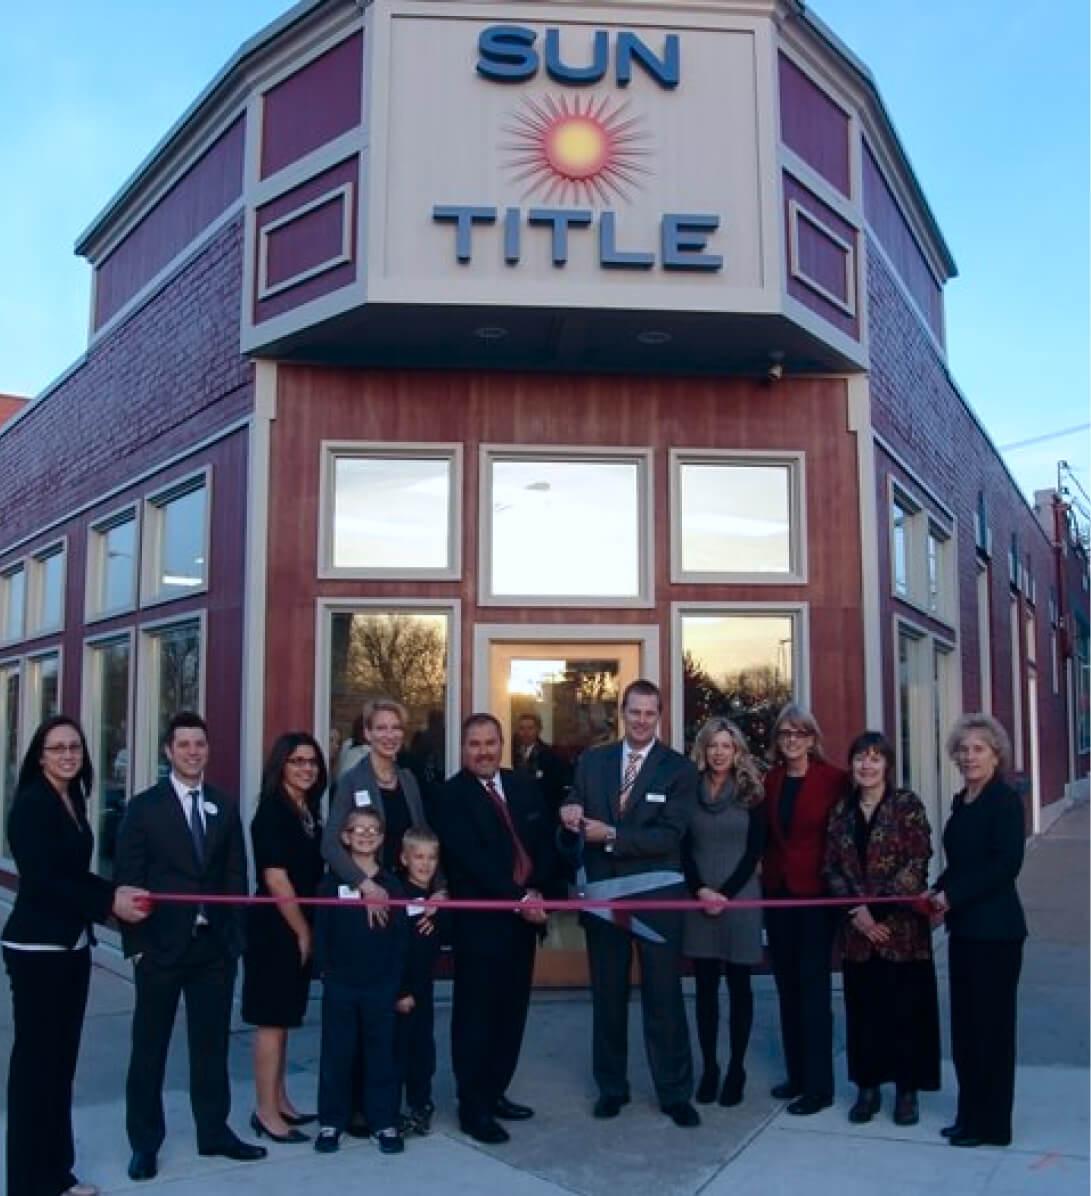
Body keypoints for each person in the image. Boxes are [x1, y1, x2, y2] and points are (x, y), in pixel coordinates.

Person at [115, 711, 266, 1181]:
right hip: (159, 949)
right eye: (183, 745)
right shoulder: (144, 808)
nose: (193, 752)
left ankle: (213, 1132)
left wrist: (234, 939)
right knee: (149, 1050)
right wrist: (137, 947)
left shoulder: (223, 803)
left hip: (212, 950)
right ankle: (144, 1143)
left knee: (211, 1048)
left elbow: (236, 873)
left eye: (199, 744)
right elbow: (128, 879)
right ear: (168, 751)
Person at [2, 715, 149, 1196]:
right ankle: (29, 1182)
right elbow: (44, 881)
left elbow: (75, 874)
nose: (68, 755)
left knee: (61, 1066)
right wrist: (109, 902)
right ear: (39, 756)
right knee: (35, 1069)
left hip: (73, 947)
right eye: (57, 748)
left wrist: (114, 891)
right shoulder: (30, 806)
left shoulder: (73, 799)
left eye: (75, 748)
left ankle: (57, 1174)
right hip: (37, 949)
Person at [559, 679, 700, 1127]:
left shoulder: (678, 769)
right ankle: (612, 1089)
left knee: (665, 998)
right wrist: (570, 814)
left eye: (649, 714)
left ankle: (675, 1094)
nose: (641, 721)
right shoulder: (594, 761)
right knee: (608, 996)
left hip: (657, 898)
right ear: (623, 712)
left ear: (659, 716)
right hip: (603, 896)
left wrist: (614, 836)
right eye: (634, 712)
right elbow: (575, 804)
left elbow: (670, 835)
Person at [434, 713, 554, 1145]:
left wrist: (542, 894)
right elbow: (470, 860)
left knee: (511, 1012)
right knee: (475, 1016)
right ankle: (473, 1108)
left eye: (490, 743)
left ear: (501, 744)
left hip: (524, 925)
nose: (483, 751)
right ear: (463, 749)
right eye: (474, 744)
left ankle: (496, 1091)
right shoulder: (450, 796)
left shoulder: (523, 785)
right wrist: (519, 898)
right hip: (481, 926)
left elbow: (542, 845)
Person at [322, 698, 439, 1136]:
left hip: (409, 900)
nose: (389, 735)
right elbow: (331, 845)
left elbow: (423, 836)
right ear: (367, 734)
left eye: (396, 728)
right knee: (371, 1009)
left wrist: (437, 889)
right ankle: (357, 1104)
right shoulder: (352, 781)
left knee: (411, 1007)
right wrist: (364, 884)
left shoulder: (408, 779)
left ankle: (410, 1101)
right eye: (381, 728)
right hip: (371, 906)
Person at [823, 732, 940, 1126]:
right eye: (860, 758)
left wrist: (880, 913)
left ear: (888, 765)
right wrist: (858, 913)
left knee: (905, 1014)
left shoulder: (906, 806)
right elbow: (832, 868)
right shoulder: (841, 811)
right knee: (864, 1014)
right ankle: (867, 1089)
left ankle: (907, 1093)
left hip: (901, 933)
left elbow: (918, 861)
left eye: (875, 759)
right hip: (858, 934)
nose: (867, 766)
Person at [928, 714, 1027, 1149]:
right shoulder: (962, 800)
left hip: (998, 932)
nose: (969, 756)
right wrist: (937, 891)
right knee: (966, 1029)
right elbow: (962, 865)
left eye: (979, 749)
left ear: (996, 754)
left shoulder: (1005, 801)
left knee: (992, 1030)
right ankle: (968, 1114)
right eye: (963, 749)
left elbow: (1004, 866)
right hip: (966, 929)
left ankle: (993, 1125)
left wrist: (954, 895)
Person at [241, 733, 328, 1144]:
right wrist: (302, 931)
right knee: (271, 1021)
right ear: (281, 766)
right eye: (296, 762)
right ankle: (265, 1112)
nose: (306, 768)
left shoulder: (307, 811)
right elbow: (276, 879)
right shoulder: (272, 813)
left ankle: (281, 1100)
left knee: (286, 1018)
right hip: (276, 929)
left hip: (297, 927)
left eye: (311, 762)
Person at [762, 703, 848, 1115]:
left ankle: (819, 1087)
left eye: (799, 734)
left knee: (813, 992)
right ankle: (796, 1075)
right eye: (785, 734)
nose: (792, 740)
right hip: (778, 896)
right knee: (786, 988)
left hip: (816, 897)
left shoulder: (834, 780)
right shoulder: (772, 779)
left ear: (812, 739)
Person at [681, 717, 767, 1108]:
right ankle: (711, 1069)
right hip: (699, 899)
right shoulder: (689, 790)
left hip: (740, 900)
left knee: (739, 988)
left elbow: (754, 851)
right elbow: (681, 847)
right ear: (703, 749)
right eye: (713, 745)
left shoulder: (752, 792)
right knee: (705, 992)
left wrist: (725, 895)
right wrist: (701, 889)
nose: (719, 752)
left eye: (726, 746)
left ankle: (736, 1069)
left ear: (737, 752)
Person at [313, 808, 408, 1156]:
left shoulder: (391, 884)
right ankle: (331, 1122)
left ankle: (383, 1121)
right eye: (358, 829)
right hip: (340, 983)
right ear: (345, 837)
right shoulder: (331, 883)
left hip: (380, 985)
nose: (366, 835)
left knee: (381, 1055)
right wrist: (323, 969)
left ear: (382, 838)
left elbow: (400, 938)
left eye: (373, 830)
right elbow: (322, 929)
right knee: (337, 1054)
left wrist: (396, 981)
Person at [394, 825, 445, 1136]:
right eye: (418, 857)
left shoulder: (437, 901)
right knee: (394, 1050)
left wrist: (440, 908)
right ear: (404, 858)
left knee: (422, 1050)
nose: (425, 864)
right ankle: (389, 1109)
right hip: (399, 989)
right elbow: (392, 949)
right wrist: (400, 990)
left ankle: (420, 1105)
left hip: (424, 988)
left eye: (431, 858)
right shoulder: (396, 895)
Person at [512, 711, 571, 812]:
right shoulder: (514, 752)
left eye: (530, 728)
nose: (526, 733)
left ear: (538, 730)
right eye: (522, 728)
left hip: (543, 809)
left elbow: (554, 788)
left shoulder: (549, 755)